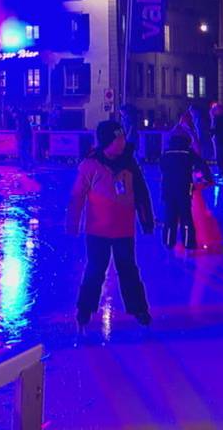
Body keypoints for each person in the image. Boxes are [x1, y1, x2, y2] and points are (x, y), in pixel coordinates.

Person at [68, 120, 155, 329]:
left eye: (123, 137)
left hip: (124, 230)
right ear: (107, 141)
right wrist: (73, 222)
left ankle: (139, 309)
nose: (122, 142)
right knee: (95, 269)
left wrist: (146, 219)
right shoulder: (90, 165)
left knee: (128, 269)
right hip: (98, 231)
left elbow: (141, 193)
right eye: (118, 138)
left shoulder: (130, 164)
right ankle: (85, 309)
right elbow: (77, 196)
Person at [160, 132, 212, 249]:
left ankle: (168, 241)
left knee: (170, 216)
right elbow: (202, 165)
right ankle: (189, 243)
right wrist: (208, 179)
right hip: (184, 188)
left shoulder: (166, 153)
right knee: (186, 216)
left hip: (168, 188)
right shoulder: (188, 153)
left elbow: (162, 168)